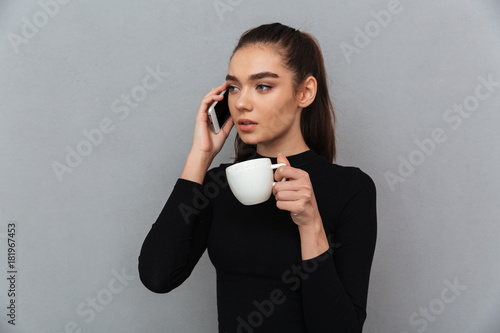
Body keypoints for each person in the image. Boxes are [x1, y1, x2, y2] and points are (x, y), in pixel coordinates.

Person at [138, 22, 377, 332]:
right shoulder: (217, 186)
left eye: (263, 86)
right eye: (234, 87)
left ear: (304, 92)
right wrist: (200, 156)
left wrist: (311, 225)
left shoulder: (350, 189)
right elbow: (157, 277)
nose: (240, 103)